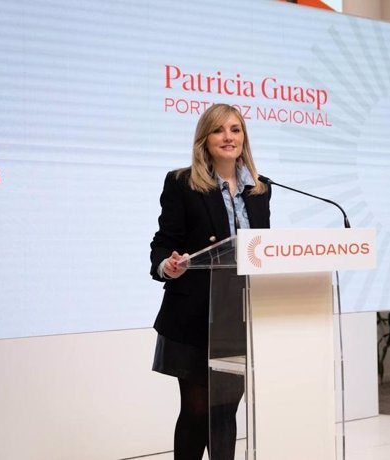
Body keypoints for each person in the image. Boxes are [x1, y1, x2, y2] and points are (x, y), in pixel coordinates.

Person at [149, 103, 271, 460]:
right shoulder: (182, 183)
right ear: (205, 138)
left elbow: (261, 248)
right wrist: (166, 264)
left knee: (225, 410)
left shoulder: (260, 190)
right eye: (219, 130)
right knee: (198, 410)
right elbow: (163, 243)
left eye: (235, 129)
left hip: (239, 315)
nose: (228, 137)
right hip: (194, 314)